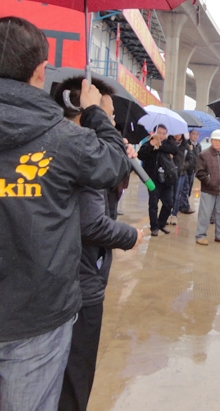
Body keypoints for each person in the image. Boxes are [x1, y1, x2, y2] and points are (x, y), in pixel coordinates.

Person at [0, 16, 131, 411]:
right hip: (36, 316)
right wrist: (96, 114)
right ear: (41, 70)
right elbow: (115, 163)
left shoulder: (63, 137)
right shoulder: (64, 138)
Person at [50, 76, 144, 411]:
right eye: (106, 113)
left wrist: (118, 163)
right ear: (85, 111)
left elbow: (98, 200)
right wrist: (131, 236)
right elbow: (92, 223)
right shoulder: (79, 150)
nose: (112, 121)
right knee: (73, 381)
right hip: (79, 282)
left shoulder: (55, 142)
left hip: (55, 279)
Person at [137, 124, 178, 236]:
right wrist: (151, 146)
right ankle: (154, 227)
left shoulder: (167, 143)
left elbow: (175, 150)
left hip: (167, 179)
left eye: (164, 133)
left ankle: (161, 223)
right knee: (153, 204)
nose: (161, 136)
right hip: (153, 179)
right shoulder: (148, 143)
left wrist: (160, 146)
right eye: (159, 133)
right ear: (154, 132)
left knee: (169, 203)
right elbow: (140, 155)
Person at [195, 129, 220, 245]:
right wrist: (209, 182)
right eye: (215, 140)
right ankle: (200, 235)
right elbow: (199, 172)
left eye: (219, 141)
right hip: (208, 190)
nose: (217, 142)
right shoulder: (204, 154)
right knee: (205, 214)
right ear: (211, 140)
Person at [169, 133, 195, 225]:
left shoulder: (185, 146)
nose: (176, 135)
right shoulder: (168, 144)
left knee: (177, 195)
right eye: (175, 133)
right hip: (170, 174)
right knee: (169, 195)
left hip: (181, 174)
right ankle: (167, 214)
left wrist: (183, 166)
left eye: (179, 134)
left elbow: (190, 159)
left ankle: (174, 214)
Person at [178, 129, 200, 215]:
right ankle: (185, 207)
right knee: (185, 188)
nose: (195, 136)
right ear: (190, 135)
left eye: (197, 134)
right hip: (185, 170)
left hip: (193, 170)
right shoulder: (185, 144)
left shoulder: (198, 146)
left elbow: (199, 157)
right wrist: (189, 150)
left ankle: (181, 204)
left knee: (189, 189)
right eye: (193, 134)